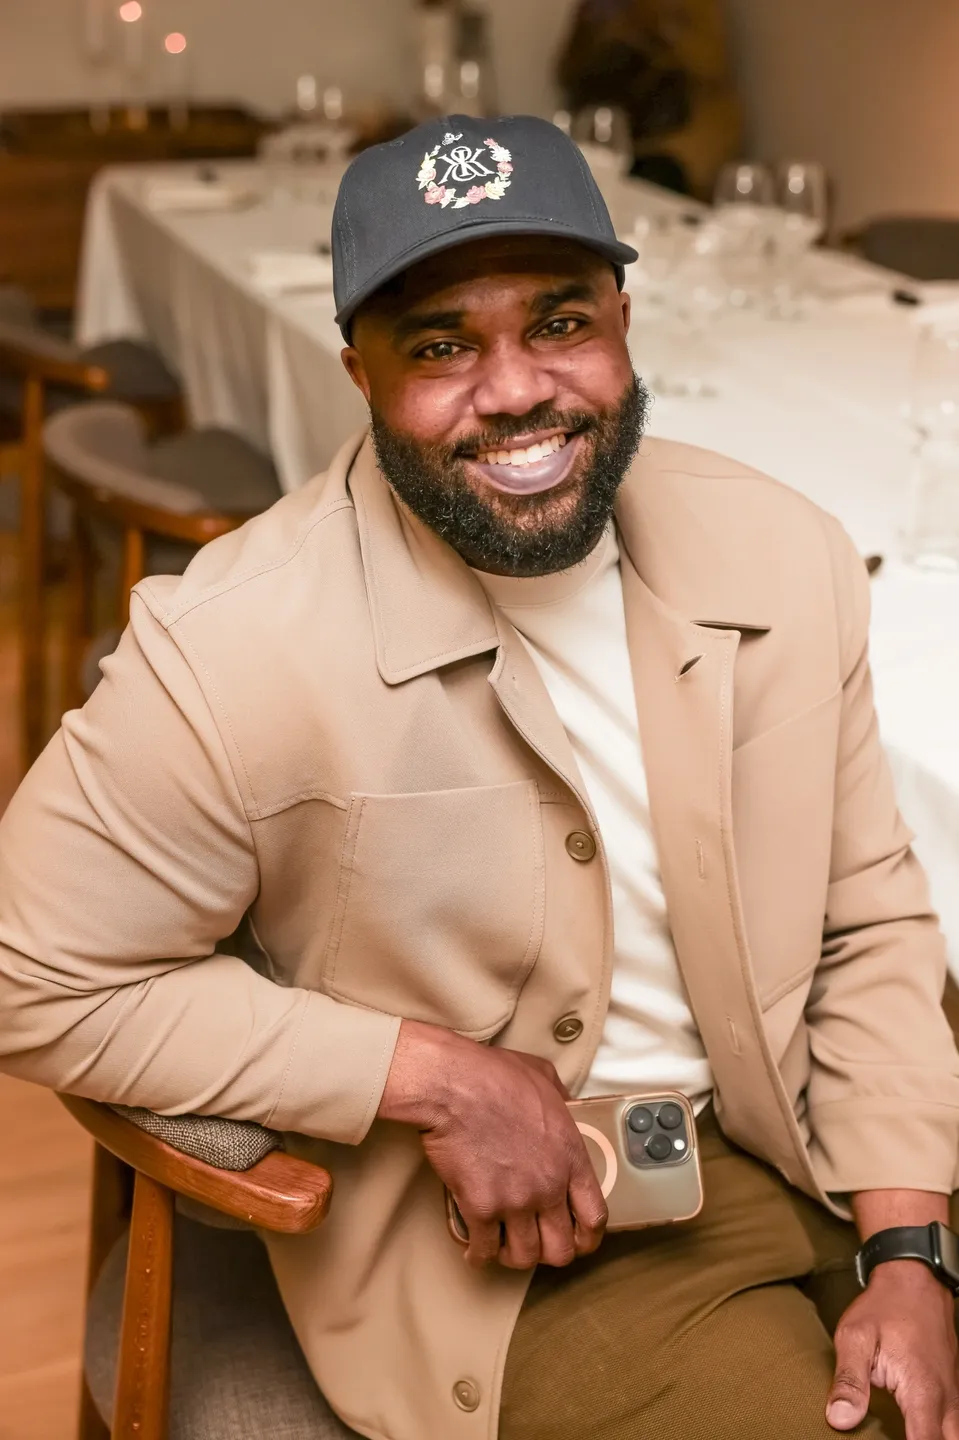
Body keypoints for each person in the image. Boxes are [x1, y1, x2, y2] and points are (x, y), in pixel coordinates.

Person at [1, 115, 958, 1440]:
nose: (512, 389)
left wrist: (908, 1251)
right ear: (356, 370)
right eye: (440, 345)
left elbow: (866, 916)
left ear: (622, 319)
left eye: (557, 321)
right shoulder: (233, 645)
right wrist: (429, 1076)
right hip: (539, 1253)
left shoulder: (785, 555)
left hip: (807, 1149)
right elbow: (29, 971)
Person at [556, 0, 741, 197]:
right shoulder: (600, 13)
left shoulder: (693, 10)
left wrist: (645, 28)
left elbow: (706, 66)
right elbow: (566, 72)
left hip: (675, 144)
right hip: (611, 137)